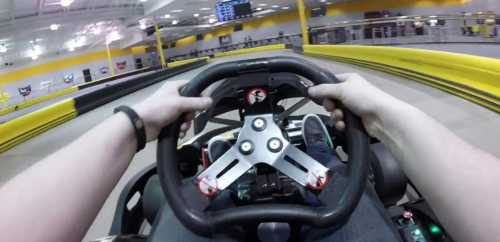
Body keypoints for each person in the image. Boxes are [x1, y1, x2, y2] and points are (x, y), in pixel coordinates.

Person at [0, 74, 498, 242]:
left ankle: (218, 161)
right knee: (340, 177)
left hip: (209, 201)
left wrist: (133, 125)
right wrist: (391, 116)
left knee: (187, 202)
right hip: (331, 197)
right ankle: (317, 148)